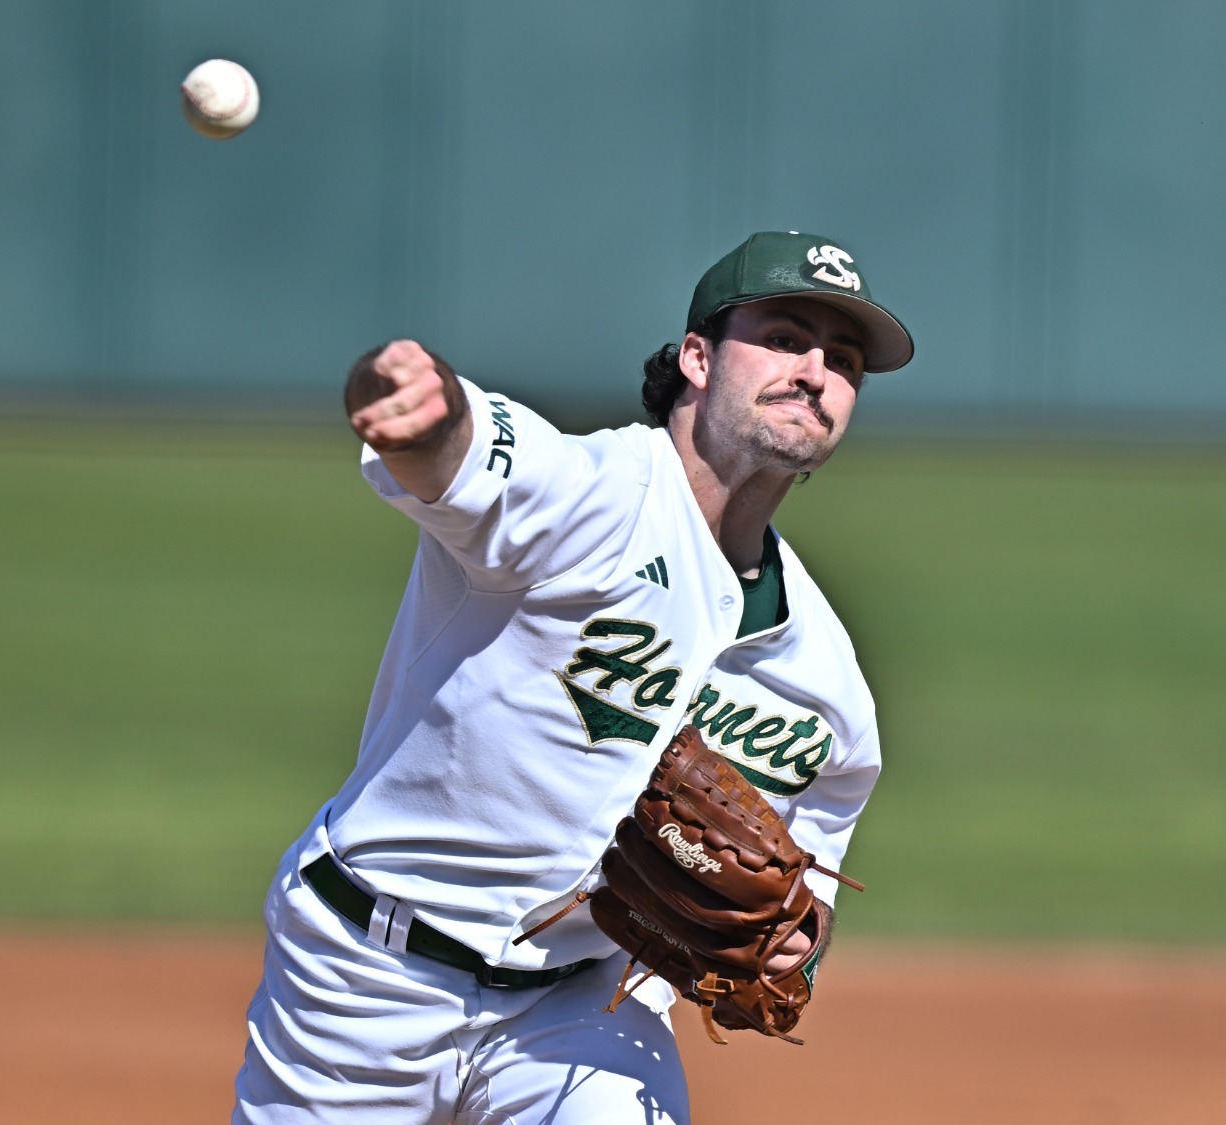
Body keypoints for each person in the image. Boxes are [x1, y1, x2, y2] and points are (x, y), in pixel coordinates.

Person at [233, 231, 913, 1124]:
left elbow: (801, 921)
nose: (817, 371)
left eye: (846, 361)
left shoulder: (826, 690)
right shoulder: (592, 492)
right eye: (785, 337)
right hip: (364, 977)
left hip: (576, 1015)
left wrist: (785, 953)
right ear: (699, 358)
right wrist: (419, 412)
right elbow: (460, 456)